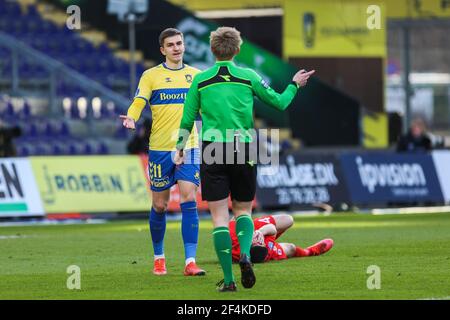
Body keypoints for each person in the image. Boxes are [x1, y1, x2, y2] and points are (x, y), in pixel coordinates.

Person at [175, 26, 315, 291]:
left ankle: (229, 281)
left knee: (218, 218)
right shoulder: (248, 76)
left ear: (212, 50)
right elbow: (280, 103)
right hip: (243, 148)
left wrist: (180, 147)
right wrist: (295, 84)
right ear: (238, 50)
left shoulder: (200, 80)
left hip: (212, 148)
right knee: (243, 211)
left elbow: (187, 119)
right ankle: (247, 256)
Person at [120, 28, 205, 277]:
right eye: (171, 45)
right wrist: (132, 117)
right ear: (162, 50)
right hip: (159, 148)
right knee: (160, 205)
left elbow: (211, 104)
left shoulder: (197, 76)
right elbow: (139, 101)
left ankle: (190, 261)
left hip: (188, 146)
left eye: (179, 43)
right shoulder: (151, 76)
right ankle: (159, 257)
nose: (176, 48)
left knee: (189, 199)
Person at [229, 214, 334, 264]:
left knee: (288, 219)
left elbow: (235, 217)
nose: (261, 241)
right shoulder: (267, 250)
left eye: (258, 242)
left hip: (253, 228)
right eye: (261, 243)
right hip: (265, 247)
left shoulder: (233, 236)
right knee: (291, 248)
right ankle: (310, 251)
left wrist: (258, 232)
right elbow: (272, 229)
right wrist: (261, 233)